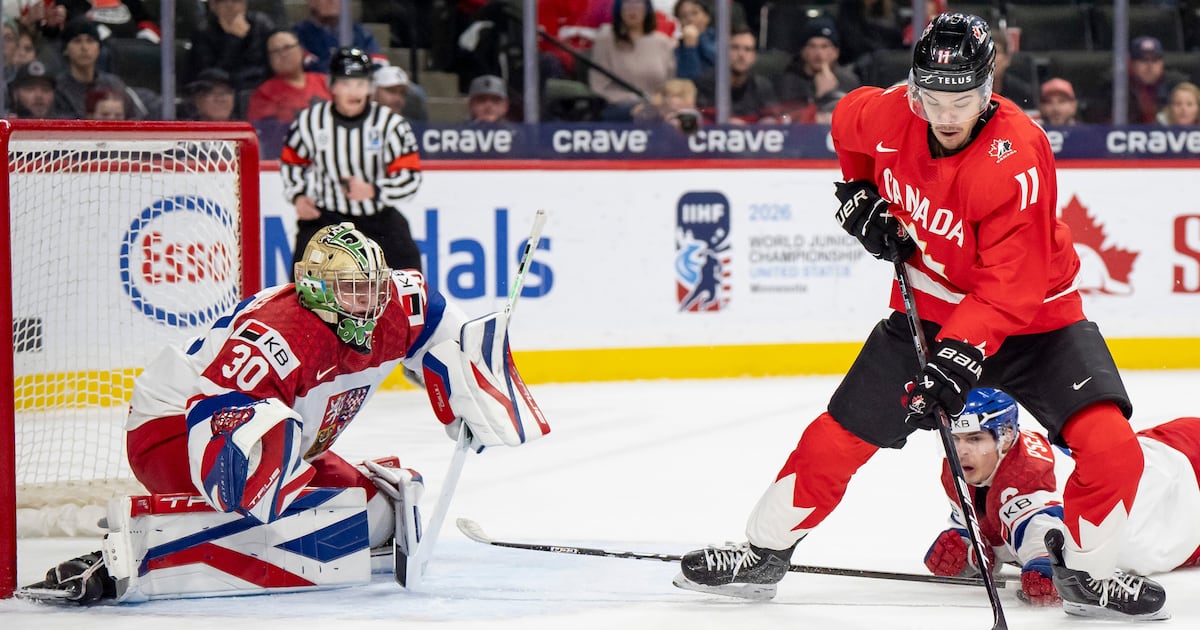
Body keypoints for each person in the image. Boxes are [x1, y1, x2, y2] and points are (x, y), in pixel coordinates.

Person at [673, 13, 1170, 621]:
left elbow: (1010, 288)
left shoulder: (1018, 154)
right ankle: (764, 553)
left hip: (1037, 319)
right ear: (914, 88)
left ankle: (1088, 574)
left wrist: (959, 355)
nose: (946, 113)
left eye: (962, 97)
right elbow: (844, 123)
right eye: (932, 96)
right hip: (931, 312)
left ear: (988, 90)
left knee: (1114, 450)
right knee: (838, 436)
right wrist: (859, 193)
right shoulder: (890, 113)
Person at [20, 223, 549, 604]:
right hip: (172, 428)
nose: (368, 304)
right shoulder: (279, 335)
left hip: (286, 439)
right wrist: (260, 494)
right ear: (318, 291)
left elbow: (442, 325)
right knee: (267, 484)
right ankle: (137, 554)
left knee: (375, 517)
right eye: (352, 291)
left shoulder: (391, 307)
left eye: (373, 289)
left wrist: (469, 388)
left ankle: (254, 514)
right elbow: (219, 420)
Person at [925, 388, 1200, 607]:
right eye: (953, 437)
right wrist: (971, 550)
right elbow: (993, 526)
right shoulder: (961, 468)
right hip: (1167, 472)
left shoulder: (1029, 477)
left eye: (974, 439)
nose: (960, 451)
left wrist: (1047, 567)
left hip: (1183, 480)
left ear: (1007, 435)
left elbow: (1045, 536)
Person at [282, 47, 424, 277]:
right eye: (346, 84)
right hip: (325, 221)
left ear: (370, 87)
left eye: (360, 84)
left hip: (378, 220)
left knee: (409, 278)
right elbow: (292, 162)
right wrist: (298, 196)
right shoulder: (310, 122)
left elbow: (410, 177)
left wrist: (373, 190)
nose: (354, 91)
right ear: (332, 86)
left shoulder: (391, 125)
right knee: (300, 286)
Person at [588, 0, 676, 121]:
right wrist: (638, 101)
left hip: (659, 107)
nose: (632, 9)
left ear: (647, 8)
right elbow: (598, 86)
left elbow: (670, 83)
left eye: (638, 4)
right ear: (619, 9)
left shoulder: (662, 42)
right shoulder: (605, 39)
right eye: (627, 4)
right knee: (647, 114)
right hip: (618, 107)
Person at [777, 17, 861, 123]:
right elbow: (786, 121)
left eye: (824, 46)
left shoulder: (849, 81)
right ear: (803, 51)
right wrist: (821, 97)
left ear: (835, 52)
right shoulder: (790, 82)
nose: (818, 53)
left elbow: (856, 119)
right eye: (812, 46)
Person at [53, 17, 137, 119]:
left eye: (90, 40)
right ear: (65, 49)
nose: (84, 47)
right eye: (77, 41)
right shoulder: (57, 88)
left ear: (98, 48)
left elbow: (134, 119)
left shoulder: (114, 84)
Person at [186, 0, 276, 96]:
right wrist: (234, 39)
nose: (230, 6)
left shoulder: (261, 24)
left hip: (263, 89)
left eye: (235, 1)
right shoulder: (202, 33)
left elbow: (271, 63)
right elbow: (212, 77)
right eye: (223, 1)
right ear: (213, 5)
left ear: (244, 4)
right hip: (225, 93)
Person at [694, 25, 780, 124]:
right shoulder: (706, 84)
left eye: (747, 49)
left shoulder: (762, 86)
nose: (741, 55)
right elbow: (702, 117)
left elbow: (773, 118)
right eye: (735, 48)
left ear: (754, 57)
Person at [246, 30, 332, 124]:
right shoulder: (264, 93)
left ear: (301, 50)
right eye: (275, 51)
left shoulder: (325, 81)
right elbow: (265, 133)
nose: (282, 54)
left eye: (287, 48)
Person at [1100, 35, 1188, 124]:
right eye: (1143, 60)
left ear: (1162, 63)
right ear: (1131, 63)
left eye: (1155, 60)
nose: (1149, 66)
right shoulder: (1115, 87)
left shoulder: (1177, 86)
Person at [294, 0, 385, 73]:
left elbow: (378, 62)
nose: (332, 1)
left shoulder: (360, 32)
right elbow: (306, 64)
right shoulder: (299, 34)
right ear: (312, 2)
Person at [991, 31, 1035, 111]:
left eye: (996, 52)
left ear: (1007, 59)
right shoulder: (970, 92)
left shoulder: (1022, 92)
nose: (991, 58)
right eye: (987, 52)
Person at [673, 0, 716, 81]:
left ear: (707, 17)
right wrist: (690, 48)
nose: (690, 19)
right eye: (683, 16)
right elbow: (689, 80)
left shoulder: (718, 39)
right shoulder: (678, 48)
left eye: (695, 13)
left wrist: (699, 38)